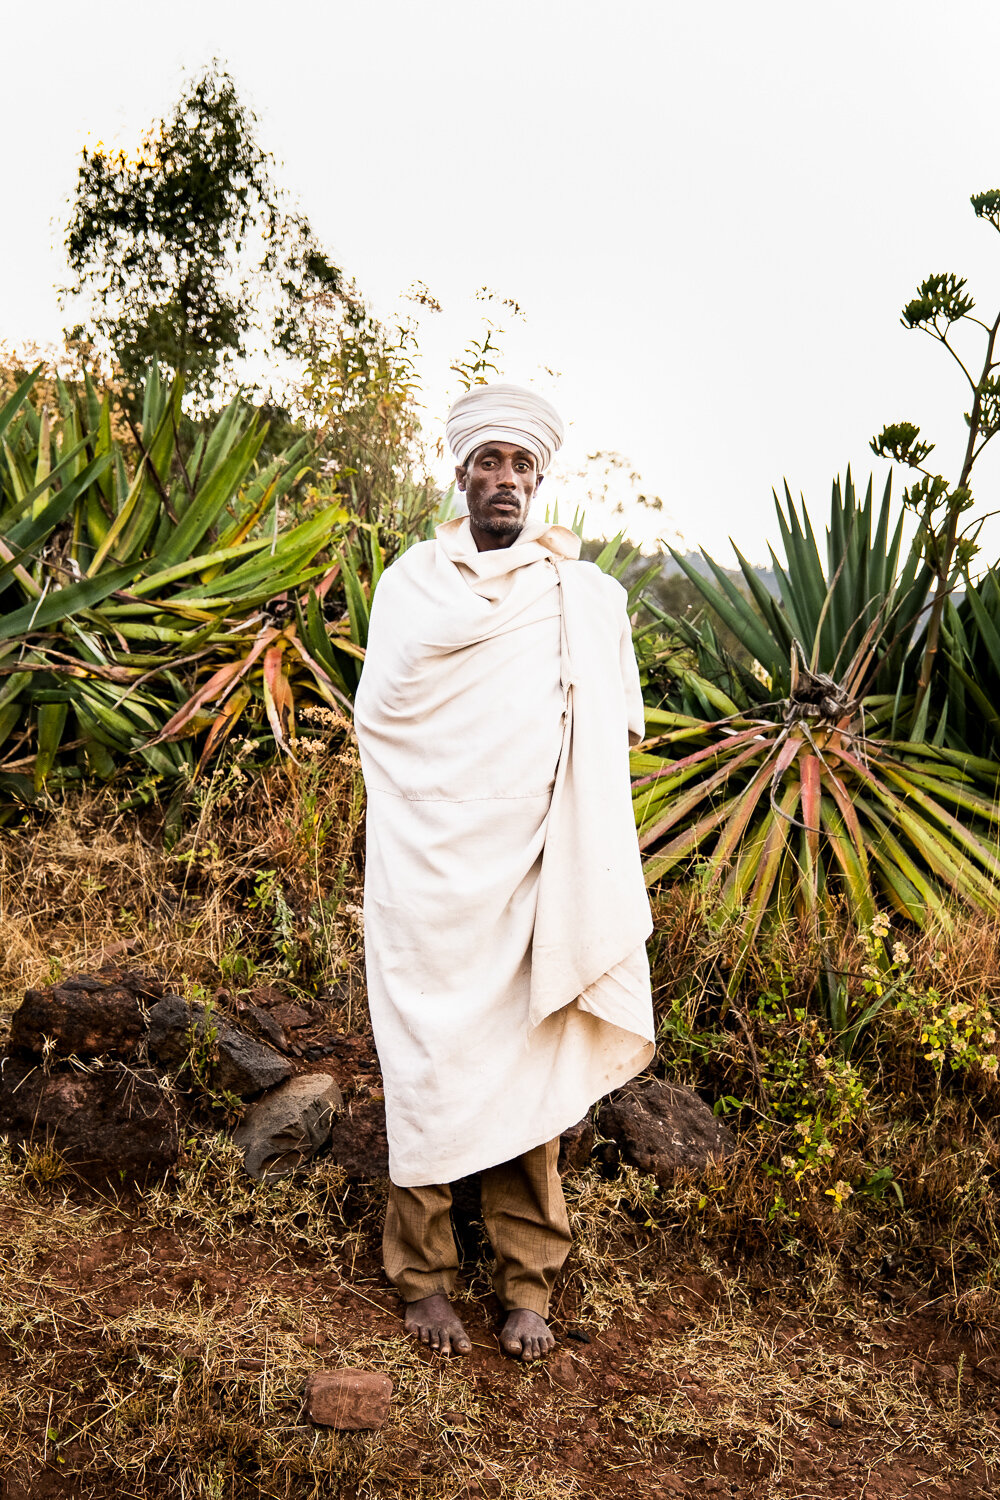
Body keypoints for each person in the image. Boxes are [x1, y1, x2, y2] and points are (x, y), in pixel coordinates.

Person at [353, 383, 655, 1361]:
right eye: (489, 461)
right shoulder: (412, 587)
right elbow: (382, 726)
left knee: (534, 1064)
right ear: (459, 473)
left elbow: (611, 736)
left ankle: (530, 1281)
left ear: (539, 481)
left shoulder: (580, 597)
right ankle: (424, 1275)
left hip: (538, 871)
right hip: (430, 874)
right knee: (431, 1063)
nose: (505, 480)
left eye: (522, 465)